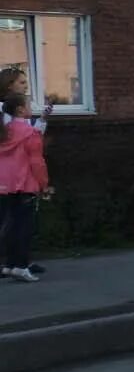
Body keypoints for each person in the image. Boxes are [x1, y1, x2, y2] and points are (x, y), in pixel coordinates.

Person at [0, 93, 50, 282]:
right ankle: (21, 266)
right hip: (25, 184)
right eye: (29, 104)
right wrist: (44, 184)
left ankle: (10, 264)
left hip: (5, 184)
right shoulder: (30, 133)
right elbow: (37, 162)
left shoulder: (5, 130)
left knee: (11, 225)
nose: (32, 107)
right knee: (25, 227)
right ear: (21, 109)